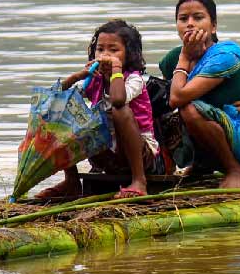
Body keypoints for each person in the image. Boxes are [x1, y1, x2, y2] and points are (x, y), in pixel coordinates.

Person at [37, 19, 163, 200]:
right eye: (101, 49)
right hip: (108, 155)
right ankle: (71, 181)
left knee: (119, 110)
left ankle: (139, 181)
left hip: (142, 157)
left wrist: (116, 70)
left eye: (114, 50)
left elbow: (118, 100)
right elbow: (55, 98)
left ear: (129, 54)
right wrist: (77, 76)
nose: (105, 55)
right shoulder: (93, 81)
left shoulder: (134, 79)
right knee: (59, 109)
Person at [159, 0, 240, 188]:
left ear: (213, 26)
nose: (190, 24)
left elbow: (177, 98)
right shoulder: (172, 59)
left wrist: (185, 58)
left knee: (189, 108)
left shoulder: (225, 55)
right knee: (156, 105)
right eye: (183, 19)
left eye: (198, 17)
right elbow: (165, 104)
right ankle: (199, 165)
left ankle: (235, 170)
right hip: (211, 142)